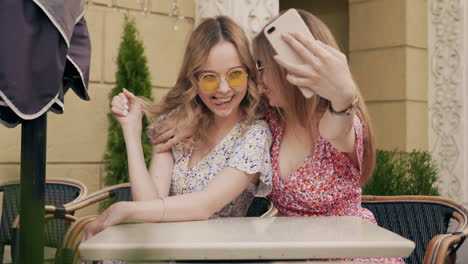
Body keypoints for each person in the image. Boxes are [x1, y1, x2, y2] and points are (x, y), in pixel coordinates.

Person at [154, 9, 404, 264]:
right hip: (291, 253)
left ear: (288, 68)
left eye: (263, 67)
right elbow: (224, 103)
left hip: (348, 253)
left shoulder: (339, 120)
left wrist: (343, 94)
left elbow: (337, 127)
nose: (258, 79)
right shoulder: (270, 119)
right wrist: (190, 118)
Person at [81, 15, 272, 242]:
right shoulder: (177, 125)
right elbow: (148, 209)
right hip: (164, 249)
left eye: (235, 74)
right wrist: (131, 132)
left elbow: (204, 206)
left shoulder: (254, 135)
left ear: (249, 74)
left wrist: (123, 209)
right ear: (194, 80)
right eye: (209, 78)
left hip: (213, 255)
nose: (223, 88)